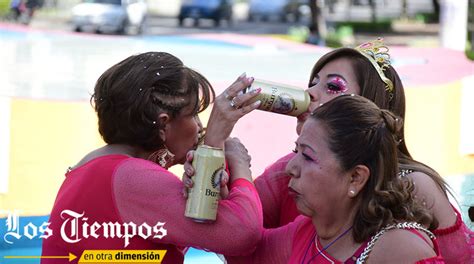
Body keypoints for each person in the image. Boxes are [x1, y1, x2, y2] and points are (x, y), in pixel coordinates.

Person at [183, 38, 473, 262]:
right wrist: (217, 140)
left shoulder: (411, 188)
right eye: (312, 83)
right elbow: (229, 235)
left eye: (333, 86)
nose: (310, 94)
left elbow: (461, 258)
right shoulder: (293, 174)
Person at [41, 51, 263, 263]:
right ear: (164, 123)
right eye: (194, 113)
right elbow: (241, 234)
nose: (199, 126)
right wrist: (238, 163)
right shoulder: (132, 179)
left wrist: (212, 158)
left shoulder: (99, 166)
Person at [227, 94, 444, 263]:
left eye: (308, 156)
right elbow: (245, 251)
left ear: (356, 178)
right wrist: (234, 167)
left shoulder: (399, 247)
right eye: (296, 151)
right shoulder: (309, 230)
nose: (291, 168)